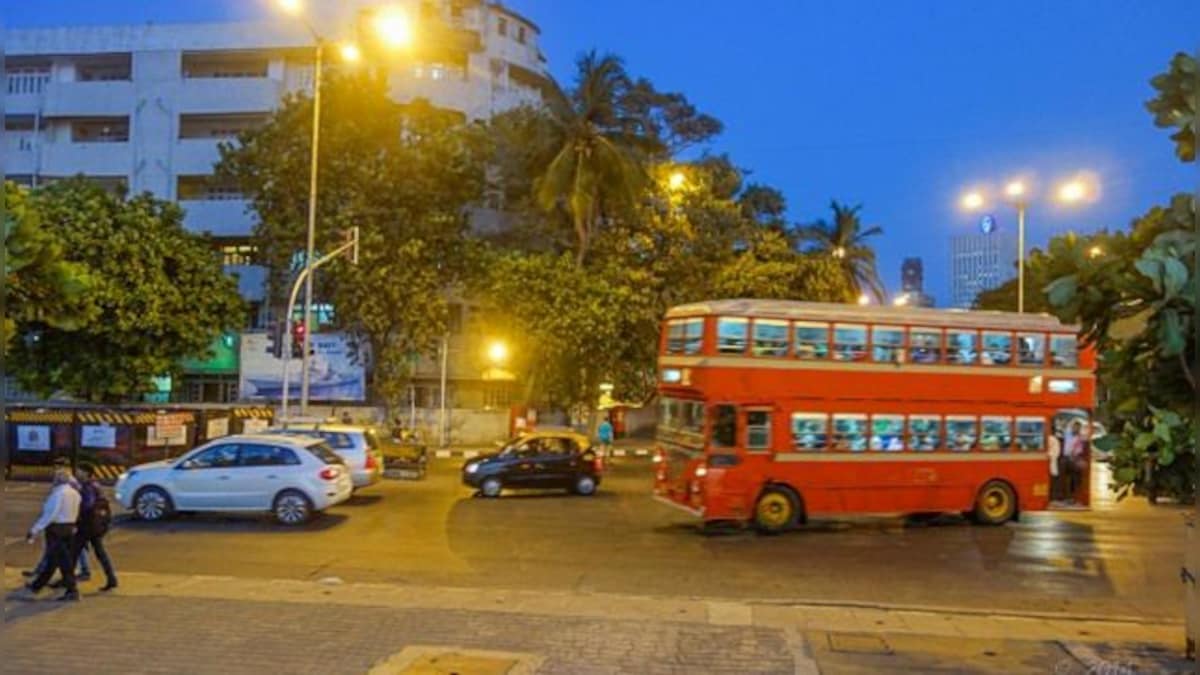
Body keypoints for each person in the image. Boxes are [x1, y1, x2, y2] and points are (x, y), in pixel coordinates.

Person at [22, 459, 90, 582]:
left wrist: (35, 529)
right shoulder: (65, 481)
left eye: (59, 466)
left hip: (62, 524)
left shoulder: (68, 482)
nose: (56, 469)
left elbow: (53, 511)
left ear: (65, 467)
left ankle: (79, 574)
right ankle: (47, 576)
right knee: (64, 554)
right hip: (69, 522)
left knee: (68, 551)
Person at [24, 468, 82, 601]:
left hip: (56, 529)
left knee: (62, 561)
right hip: (70, 527)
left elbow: (50, 514)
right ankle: (37, 585)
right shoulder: (75, 494)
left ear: (57, 479)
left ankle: (72, 590)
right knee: (55, 559)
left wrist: (34, 530)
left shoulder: (58, 494)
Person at [69, 465, 118, 592]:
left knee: (72, 553)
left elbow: (87, 505)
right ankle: (111, 579)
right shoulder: (96, 485)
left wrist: (76, 511)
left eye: (80, 470)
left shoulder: (87, 487)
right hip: (96, 525)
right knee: (100, 553)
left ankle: (68, 583)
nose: (77, 472)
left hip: (86, 525)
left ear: (86, 473)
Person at [1047, 432, 1063, 503]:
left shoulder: (1053, 440)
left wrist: (1048, 454)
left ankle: (1054, 497)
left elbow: (1056, 453)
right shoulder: (1047, 438)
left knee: (1053, 480)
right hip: (1048, 463)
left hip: (1052, 462)